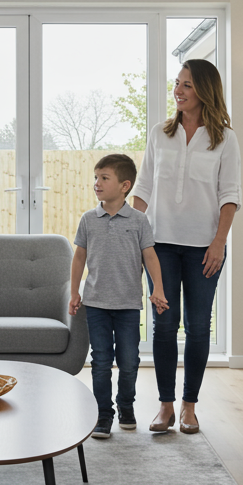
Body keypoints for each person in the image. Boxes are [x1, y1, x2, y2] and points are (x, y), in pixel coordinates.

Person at [130, 59, 241, 435]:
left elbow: (230, 195)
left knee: (197, 327)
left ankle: (189, 406)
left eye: (187, 85)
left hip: (203, 248)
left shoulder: (225, 139)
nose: (178, 91)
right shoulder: (160, 133)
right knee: (163, 325)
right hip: (159, 244)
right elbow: (143, 187)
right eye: (177, 84)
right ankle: (165, 405)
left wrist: (219, 243)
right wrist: (133, 235)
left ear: (205, 91)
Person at [69, 154, 168, 438]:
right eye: (96, 177)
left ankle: (126, 406)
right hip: (96, 303)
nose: (96, 183)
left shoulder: (138, 221)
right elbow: (79, 258)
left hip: (127, 305)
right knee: (100, 361)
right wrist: (75, 292)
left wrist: (157, 289)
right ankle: (103, 415)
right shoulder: (88, 219)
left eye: (104, 178)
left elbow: (150, 257)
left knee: (128, 361)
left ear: (125, 185)